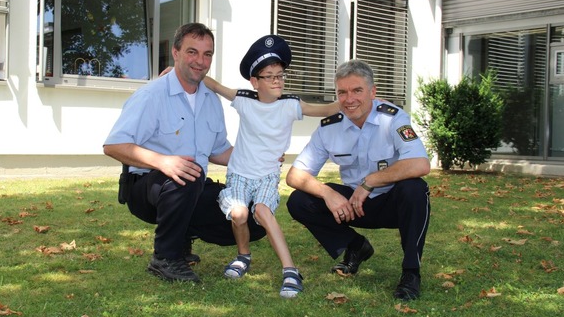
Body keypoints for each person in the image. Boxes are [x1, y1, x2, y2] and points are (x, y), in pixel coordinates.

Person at [103, 23, 267, 283]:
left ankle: (182, 237)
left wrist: (260, 157)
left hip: (190, 185)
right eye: (192, 52)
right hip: (147, 186)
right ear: (176, 53)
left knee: (255, 217)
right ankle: (166, 257)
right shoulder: (151, 95)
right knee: (188, 173)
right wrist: (164, 162)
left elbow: (219, 151)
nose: (200, 61)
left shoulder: (210, 100)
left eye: (207, 54)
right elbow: (113, 145)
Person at [203, 34, 340, 298]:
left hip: (266, 176)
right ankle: (243, 256)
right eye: (270, 76)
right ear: (255, 82)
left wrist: (350, 101)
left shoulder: (291, 105)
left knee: (264, 212)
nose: (277, 80)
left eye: (280, 74)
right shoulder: (244, 101)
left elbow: (324, 109)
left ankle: (290, 271)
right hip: (240, 175)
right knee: (240, 214)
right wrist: (176, 72)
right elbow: (215, 85)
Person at [285, 59, 431, 301]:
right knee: (299, 200)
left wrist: (371, 181)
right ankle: (356, 246)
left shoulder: (393, 118)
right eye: (342, 92)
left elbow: (420, 163)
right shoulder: (329, 127)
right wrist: (328, 193)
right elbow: (294, 175)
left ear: (372, 92)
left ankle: (411, 272)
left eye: (357, 91)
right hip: (352, 205)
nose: (349, 99)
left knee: (415, 189)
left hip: (391, 203)